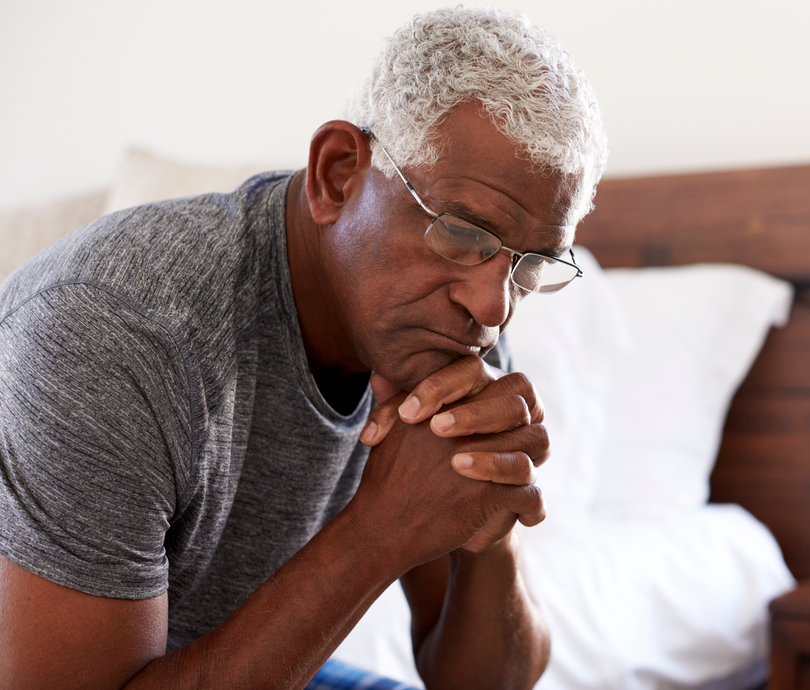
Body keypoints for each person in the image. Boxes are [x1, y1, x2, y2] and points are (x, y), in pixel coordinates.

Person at [0, 7, 607, 689]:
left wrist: (490, 525)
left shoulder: (453, 325)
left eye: (530, 265)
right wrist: (382, 530)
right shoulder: (117, 327)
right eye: (463, 232)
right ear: (338, 174)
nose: (494, 310)